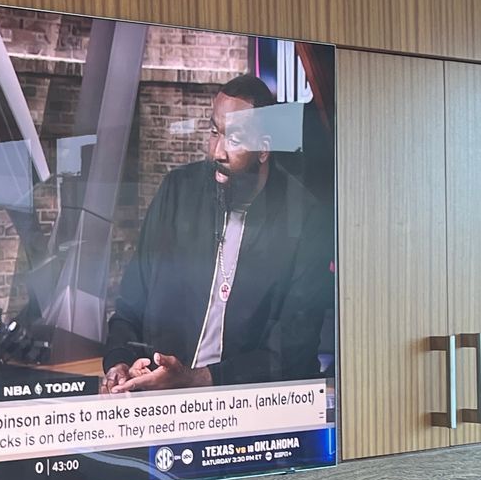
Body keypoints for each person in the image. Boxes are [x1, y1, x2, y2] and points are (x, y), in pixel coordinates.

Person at [102, 74, 332, 394]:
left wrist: (197, 378)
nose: (217, 152)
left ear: (264, 149)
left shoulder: (306, 218)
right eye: (214, 133)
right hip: (162, 396)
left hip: (254, 403)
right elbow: (130, 305)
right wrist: (120, 362)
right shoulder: (177, 192)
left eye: (234, 139)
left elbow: (294, 347)